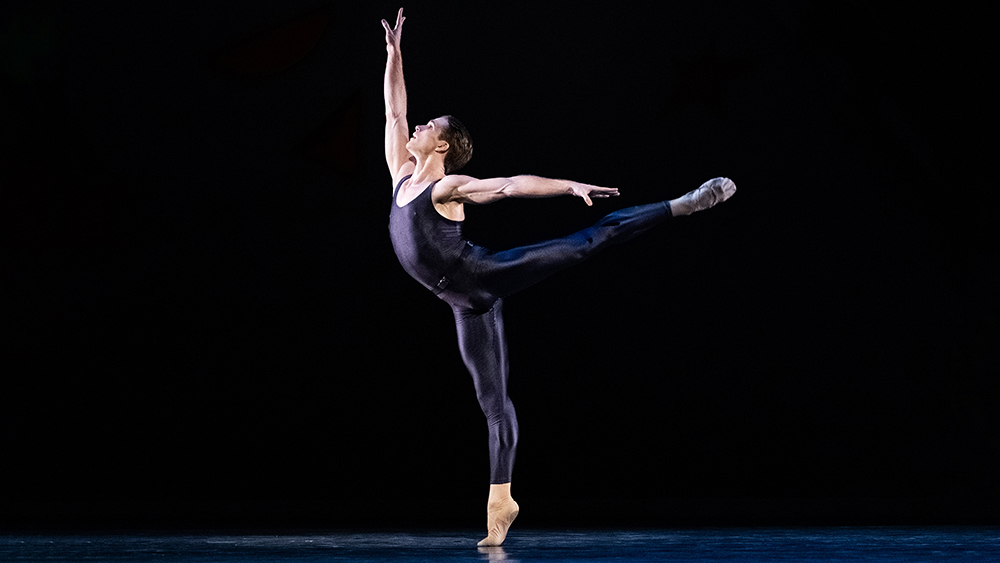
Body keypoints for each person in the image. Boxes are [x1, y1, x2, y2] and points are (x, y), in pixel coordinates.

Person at [381, 8, 735, 546]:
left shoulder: (445, 188)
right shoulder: (402, 172)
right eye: (421, 123)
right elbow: (393, 110)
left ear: (444, 147)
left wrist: (568, 186)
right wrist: (395, 56)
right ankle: (502, 500)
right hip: (464, 303)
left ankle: (679, 205)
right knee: (492, 403)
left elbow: (510, 186)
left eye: (429, 127)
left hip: (482, 274)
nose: (418, 126)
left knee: (587, 242)